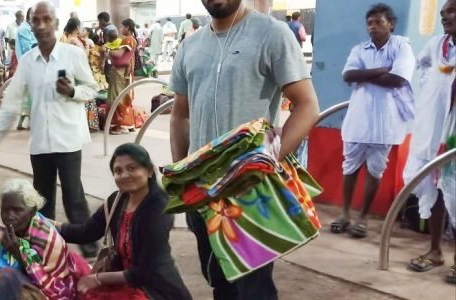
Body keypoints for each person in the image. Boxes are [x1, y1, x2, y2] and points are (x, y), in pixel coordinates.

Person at [169, 0, 319, 298]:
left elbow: (307, 107)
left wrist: (264, 164)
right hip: (203, 191)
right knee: (219, 281)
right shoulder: (190, 46)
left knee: (253, 288)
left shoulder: (272, 34)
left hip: (250, 192)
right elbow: (180, 114)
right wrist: (183, 174)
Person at [0, 1, 100, 258]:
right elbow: (12, 101)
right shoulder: (27, 62)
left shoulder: (73, 55)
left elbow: (92, 88)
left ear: (56, 24)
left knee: (73, 195)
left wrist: (72, 92)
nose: (41, 25)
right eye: (35, 21)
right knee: (41, 199)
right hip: (40, 142)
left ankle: (90, 249)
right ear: (30, 26)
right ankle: (43, 248)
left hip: (68, 139)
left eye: (46, 20)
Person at [56, 143, 192, 299]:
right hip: (123, 281)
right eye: (118, 171)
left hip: (154, 288)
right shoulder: (116, 200)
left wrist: (98, 279)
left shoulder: (158, 208)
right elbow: (86, 233)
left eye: (132, 168)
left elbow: (145, 271)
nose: (125, 175)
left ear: (148, 171)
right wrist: (43, 223)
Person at [330, 3, 415, 238]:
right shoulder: (360, 49)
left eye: (379, 22)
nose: (373, 27)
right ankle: (345, 213)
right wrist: (380, 70)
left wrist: (365, 75)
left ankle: (363, 218)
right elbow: (348, 75)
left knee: (375, 171)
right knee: (350, 167)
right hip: (359, 118)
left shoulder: (402, 47)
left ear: (391, 24)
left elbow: (398, 80)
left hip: (386, 122)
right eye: (370, 23)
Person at [0, 178, 90, 299]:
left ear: (32, 211)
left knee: (5, 277)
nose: (10, 216)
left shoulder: (49, 240)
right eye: (6, 209)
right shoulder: (1, 233)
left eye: (17, 210)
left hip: (45, 294)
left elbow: (57, 289)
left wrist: (20, 256)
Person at [405, 0, 456, 282]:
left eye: (452, 10)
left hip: (454, 136)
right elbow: (423, 66)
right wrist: (433, 91)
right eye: (443, 12)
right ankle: (435, 250)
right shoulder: (438, 45)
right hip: (433, 131)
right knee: (433, 190)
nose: (444, 16)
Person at [105, 19, 138, 135]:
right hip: (126, 71)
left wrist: (108, 50)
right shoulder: (133, 40)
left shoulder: (127, 40)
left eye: (123, 27)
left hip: (119, 71)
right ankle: (128, 124)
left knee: (116, 96)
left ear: (128, 27)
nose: (121, 29)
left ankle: (118, 125)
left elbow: (119, 54)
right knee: (124, 96)